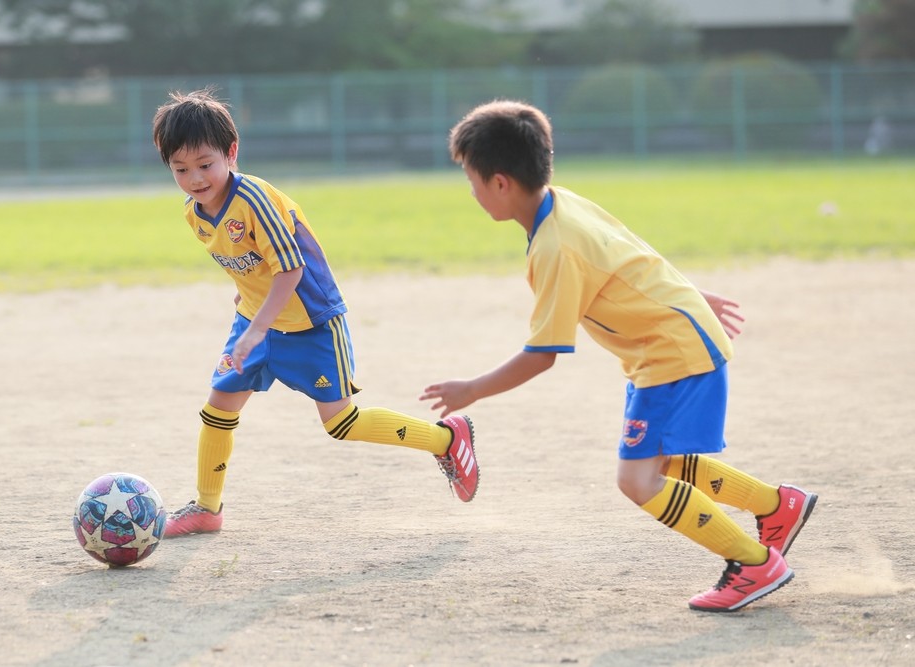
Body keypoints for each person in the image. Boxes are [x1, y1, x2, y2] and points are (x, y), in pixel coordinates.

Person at [420, 99, 817, 613]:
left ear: (500, 183)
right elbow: (633, 251)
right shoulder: (562, 203)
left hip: (673, 353)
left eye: (472, 181)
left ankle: (754, 563)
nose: (471, 193)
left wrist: (472, 389)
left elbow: (543, 354)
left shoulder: (554, 247)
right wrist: (690, 295)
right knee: (661, 462)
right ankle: (776, 505)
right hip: (667, 345)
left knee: (637, 479)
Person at [151, 89, 479, 537]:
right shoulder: (195, 212)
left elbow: (290, 269)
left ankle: (446, 439)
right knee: (218, 409)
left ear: (231, 152)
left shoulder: (255, 201)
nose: (194, 178)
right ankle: (207, 509)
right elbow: (248, 262)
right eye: (180, 169)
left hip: (310, 324)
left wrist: (255, 329)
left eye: (205, 164)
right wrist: (247, 309)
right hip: (257, 322)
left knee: (341, 422)